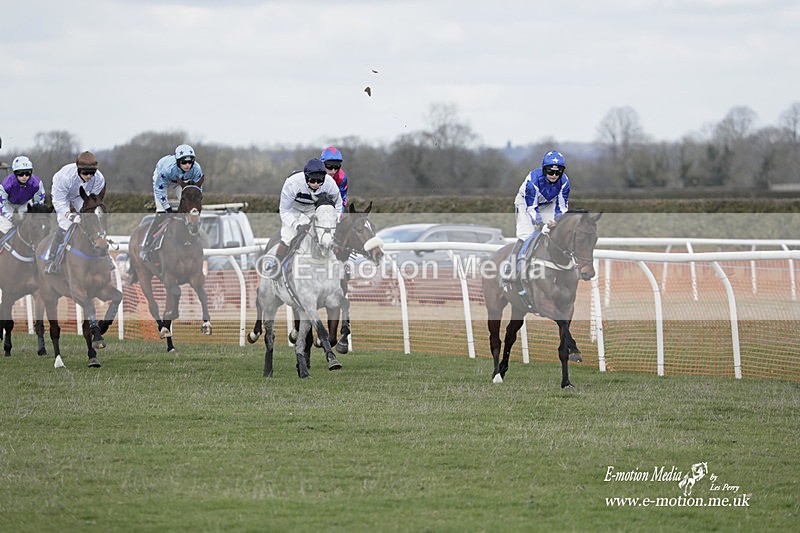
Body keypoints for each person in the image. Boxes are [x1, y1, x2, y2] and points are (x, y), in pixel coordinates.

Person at [263, 158, 343, 274]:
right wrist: (297, 225)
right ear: (306, 177)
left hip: (312, 208)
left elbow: (339, 205)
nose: (316, 184)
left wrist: (335, 221)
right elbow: (284, 210)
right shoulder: (293, 183)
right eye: (312, 181)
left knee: (324, 235)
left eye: (319, 181)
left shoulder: (330, 183)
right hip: (293, 209)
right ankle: (276, 264)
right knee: (288, 236)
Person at [507, 149, 571, 282]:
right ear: (543, 169)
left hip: (548, 203)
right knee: (526, 235)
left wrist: (557, 221)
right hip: (526, 203)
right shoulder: (533, 180)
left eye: (558, 172)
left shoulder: (565, 181)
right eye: (550, 171)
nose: (554, 175)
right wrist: (541, 224)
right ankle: (511, 267)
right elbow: (531, 207)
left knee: (555, 231)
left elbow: (562, 207)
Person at [44, 151, 107, 274]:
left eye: (92, 173)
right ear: (78, 170)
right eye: (85, 173)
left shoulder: (99, 178)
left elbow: (93, 200)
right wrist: (70, 215)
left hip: (81, 196)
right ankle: (51, 261)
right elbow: (59, 201)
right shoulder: (64, 177)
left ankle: (104, 255)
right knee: (65, 224)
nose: (89, 176)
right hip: (63, 196)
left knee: (93, 219)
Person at [139, 144, 204, 261]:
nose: (187, 165)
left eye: (190, 162)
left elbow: (197, 191)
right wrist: (167, 207)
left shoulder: (196, 169)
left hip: (180, 182)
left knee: (187, 206)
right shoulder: (167, 169)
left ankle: (190, 236)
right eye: (184, 162)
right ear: (178, 161)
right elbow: (159, 189)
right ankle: (146, 246)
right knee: (161, 213)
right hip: (162, 180)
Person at [0, 155, 47, 237]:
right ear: (15, 173)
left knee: (27, 225)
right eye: (21, 173)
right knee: (6, 227)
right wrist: (11, 218)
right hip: (8, 203)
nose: (24, 176)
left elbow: (39, 203)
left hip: (25, 203)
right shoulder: (6, 184)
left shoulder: (37, 184)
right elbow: (1, 204)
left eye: (28, 173)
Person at [320, 146, 348, 213]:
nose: (333, 171)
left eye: (337, 167)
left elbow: (342, 200)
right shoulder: (314, 173)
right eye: (329, 166)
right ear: (322, 164)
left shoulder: (342, 178)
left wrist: (338, 216)